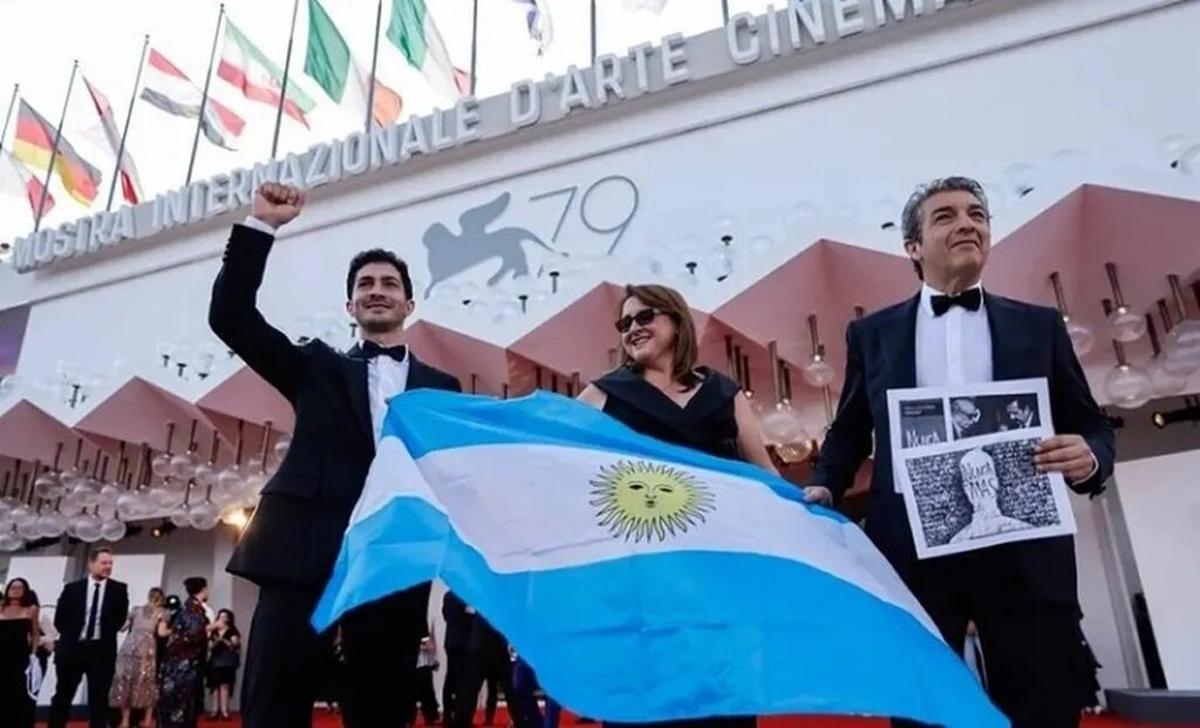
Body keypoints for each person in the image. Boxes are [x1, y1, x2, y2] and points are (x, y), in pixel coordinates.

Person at [809, 176, 1115, 728]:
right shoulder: (871, 335)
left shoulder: (1040, 326)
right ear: (913, 246)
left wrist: (1089, 456)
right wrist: (826, 484)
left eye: (977, 214)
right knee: (926, 714)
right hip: (915, 558)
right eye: (946, 216)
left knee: (1044, 709)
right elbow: (850, 429)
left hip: (1024, 555)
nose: (968, 223)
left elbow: (1091, 424)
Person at [208, 181, 462, 728]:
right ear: (350, 305)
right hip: (300, 550)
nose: (377, 290)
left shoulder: (443, 388)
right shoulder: (315, 366)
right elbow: (232, 317)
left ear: (409, 303)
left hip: (391, 559)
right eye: (365, 284)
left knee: (382, 708)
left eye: (389, 283)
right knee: (275, 703)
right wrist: (261, 226)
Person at [577, 283, 826, 728]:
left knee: (722, 700)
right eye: (624, 322)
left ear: (676, 321)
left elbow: (763, 470)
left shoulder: (723, 392)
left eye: (645, 316)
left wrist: (806, 507)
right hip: (642, 576)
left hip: (721, 574)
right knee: (646, 703)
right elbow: (551, 448)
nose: (632, 328)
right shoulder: (603, 394)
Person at [49, 547, 131, 728]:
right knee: (63, 694)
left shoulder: (119, 590)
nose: (108, 566)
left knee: (99, 698)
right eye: (103, 563)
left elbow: (119, 619)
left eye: (110, 563)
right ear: (91, 564)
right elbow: (60, 619)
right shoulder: (72, 589)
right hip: (73, 650)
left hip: (101, 652)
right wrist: (73, 638)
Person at [157, 577, 215, 728]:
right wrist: (212, 627)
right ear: (203, 589)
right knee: (183, 706)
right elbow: (193, 634)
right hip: (185, 666)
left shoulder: (188, 608)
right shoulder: (193, 610)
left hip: (179, 664)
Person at [110, 587, 167, 728]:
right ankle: (148, 720)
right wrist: (177, 631)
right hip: (147, 649)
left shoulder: (136, 610)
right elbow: (162, 633)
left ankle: (125, 721)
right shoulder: (162, 612)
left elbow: (122, 628)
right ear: (161, 599)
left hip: (129, 647)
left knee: (126, 683)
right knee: (147, 683)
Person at [949, 448, 1031, 544]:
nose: (980, 486)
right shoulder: (959, 541)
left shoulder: (1023, 529)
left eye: (985, 480)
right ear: (965, 488)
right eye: (971, 484)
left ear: (995, 482)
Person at [1, 577, 39, 728]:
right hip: (1, 657)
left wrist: (33, 656)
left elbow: (35, 634)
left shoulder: (31, 610)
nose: (16, 590)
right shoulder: (0, 608)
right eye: (13, 587)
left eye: (20, 587)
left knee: (19, 695)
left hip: (20, 657)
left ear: (25, 591)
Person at [206, 609, 241, 721]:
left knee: (225, 686)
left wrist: (223, 640)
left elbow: (235, 644)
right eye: (221, 616)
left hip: (227, 662)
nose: (222, 619)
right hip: (215, 662)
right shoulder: (214, 631)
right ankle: (214, 710)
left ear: (229, 618)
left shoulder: (232, 631)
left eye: (225, 616)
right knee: (214, 687)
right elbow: (210, 646)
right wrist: (217, 641)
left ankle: (225, 711)